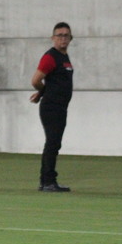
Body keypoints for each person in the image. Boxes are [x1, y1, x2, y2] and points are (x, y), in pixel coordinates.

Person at [30, 22, 74, 192]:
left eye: (66, 35)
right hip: (52, 107)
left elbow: (54, 82)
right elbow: (36, 80)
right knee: (53, 143)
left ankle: (46, 180)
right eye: (60, 35)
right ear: (53, 38)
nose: (63, 38)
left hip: (60, 106)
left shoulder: (64, 57)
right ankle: (48, 181)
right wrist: (42, 93)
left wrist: (42, 93)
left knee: (55, 143)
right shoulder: (51, 57)